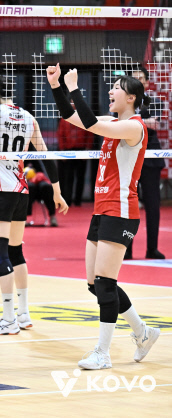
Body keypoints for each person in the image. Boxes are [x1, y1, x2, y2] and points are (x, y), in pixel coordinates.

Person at [48, 64, 160, 369]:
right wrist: (57, 85)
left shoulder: (134, 127)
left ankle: (103, 352)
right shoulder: (112, 122)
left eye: (117, 88)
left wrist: (74, 87)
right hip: (102, 210)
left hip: (121, 211)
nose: (110, 91)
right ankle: (143, 332)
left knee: (105, 282)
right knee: (93, 284)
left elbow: (88, 121)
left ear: (132, 98)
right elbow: (70, 116)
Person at [0, 75, 68, 335]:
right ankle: (23, 314)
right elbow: (46, 156)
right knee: (15, 252)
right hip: (21, 191)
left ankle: (8, 319)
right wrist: (57, 191)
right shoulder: (29, 117)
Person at [125, 67, 166, 260]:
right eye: (134, 78)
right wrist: (143, 120)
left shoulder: (156, 101)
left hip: (151, 158)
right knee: (128, 203)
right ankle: (127, 249)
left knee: (152, 205)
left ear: (147, 82)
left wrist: (132, 119)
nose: (138, 81)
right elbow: (120, 123)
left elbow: (155, 124)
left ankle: (152, 248)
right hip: (130, 157)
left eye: (141, 78)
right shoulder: (124, 101)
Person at [57, 95, 94, 207]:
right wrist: (62, 150)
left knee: (80, 176)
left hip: (81, 150)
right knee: (69, 177)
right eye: (72, 102)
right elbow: (60, 135)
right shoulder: (64, 119)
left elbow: (90, 134)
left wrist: (87, 150)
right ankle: (67, 199)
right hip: (68, 151)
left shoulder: (85, 117)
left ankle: (78, 200)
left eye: (76, 102)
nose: (74, 104)